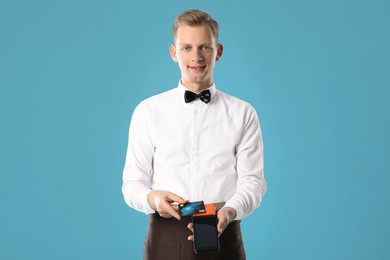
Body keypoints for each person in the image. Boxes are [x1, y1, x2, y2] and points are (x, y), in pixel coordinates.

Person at [122, 9, 266, 260]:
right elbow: (132, 184)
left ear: (218, 51)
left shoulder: (244, 113)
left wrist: (231, 211)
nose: (196, 57)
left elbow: (253, 182)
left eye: (205, 47)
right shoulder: (148, 111)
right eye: (186, 47)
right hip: (166, 237)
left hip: (225, 234)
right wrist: (153, 198)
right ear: (173, 53)